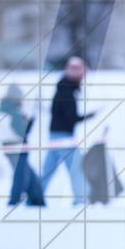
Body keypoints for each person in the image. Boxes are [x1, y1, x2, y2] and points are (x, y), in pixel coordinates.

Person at [41, 57, 96, 205]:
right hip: (64, 137)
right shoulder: (67, 92)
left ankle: (35, 197)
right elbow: (71, 118)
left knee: (48, 170)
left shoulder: (61, 88)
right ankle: (82, 199)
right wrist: (91, 115)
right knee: (77, 167)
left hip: (55, 135)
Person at [0, 85, 45, 207]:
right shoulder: (13, 111)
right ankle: (13, 203)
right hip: (17, 148)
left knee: (30, 178)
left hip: (9, 147)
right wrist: (28, 121)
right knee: (21, 178)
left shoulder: (3, 108)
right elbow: (22, 131)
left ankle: (37, 203)